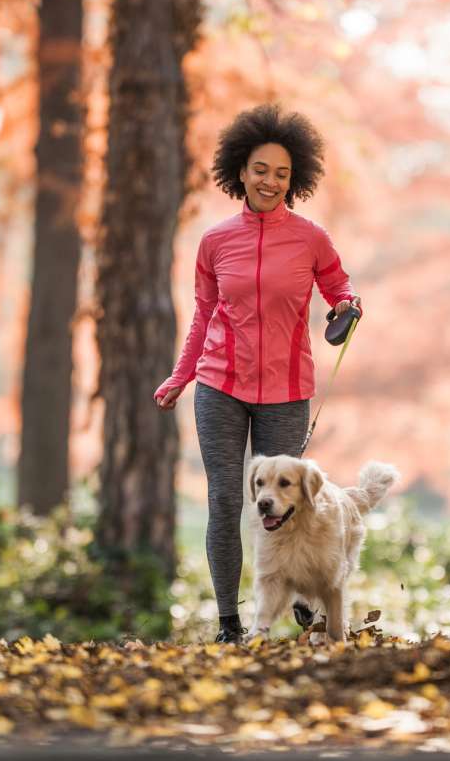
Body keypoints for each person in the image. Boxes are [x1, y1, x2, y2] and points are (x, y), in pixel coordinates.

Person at [154, 104, 361, 644]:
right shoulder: (216, 242)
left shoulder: (311, 238)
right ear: (240, 172)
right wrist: (181, 376)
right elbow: (203, 314)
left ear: (295, 180)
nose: (271, 181)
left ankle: (297, 598)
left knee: (292, 502)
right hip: (220, 386)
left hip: (287, 391)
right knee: (227, 499)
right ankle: (228, 623)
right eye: (261, 170)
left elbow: (339, 289)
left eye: (282, 173)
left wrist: (346, 307)